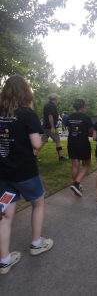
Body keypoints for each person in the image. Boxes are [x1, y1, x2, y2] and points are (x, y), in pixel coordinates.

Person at [0, 75, 53, 275]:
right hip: (25, 173)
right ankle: (36, 243)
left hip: (4, 175)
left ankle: (4, 260)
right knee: (38, 202)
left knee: (5, 214)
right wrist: (42, 137)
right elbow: (37, 144)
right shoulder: (26, 113)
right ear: (25, 92)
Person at [67, 99, 93, 196]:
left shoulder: (69, 117)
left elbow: (69, 129)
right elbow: (90, 133)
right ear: (83, 107)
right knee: (87, 165)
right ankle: (76, 184)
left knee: (75, 165)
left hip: (71, 142)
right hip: (83, 143)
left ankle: (76, 186)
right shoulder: (86, 118)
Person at [42, 93, 66, 161]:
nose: (58, 99)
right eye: (58, 98)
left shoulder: (47, 105)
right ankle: (61, 157)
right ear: (55, 99)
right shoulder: (52, 106)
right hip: (50, 127)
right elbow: (50, 116)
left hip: (45, 126)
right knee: (58, 140)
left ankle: (33, 156)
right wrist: (52, 127)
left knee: (42, 141)